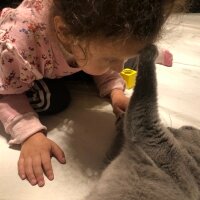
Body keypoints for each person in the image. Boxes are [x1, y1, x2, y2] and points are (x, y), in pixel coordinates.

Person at [0, 0, 185, 187]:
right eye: (112, 58)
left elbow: (103, 60)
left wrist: (115, 91)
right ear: (65, 33)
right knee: (55, 100)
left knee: (101, 62)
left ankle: (132, 54)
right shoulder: (19, 44)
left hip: (72, 54)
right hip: (19, 65)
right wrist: (30, 135)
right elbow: (5, 92)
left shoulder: (90, 35)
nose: (118, 66)